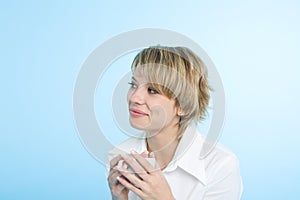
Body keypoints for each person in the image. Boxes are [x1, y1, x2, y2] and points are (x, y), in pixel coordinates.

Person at [106, 46, 243, 200]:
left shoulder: (220, 165)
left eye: (152, 90)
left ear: (183, 106)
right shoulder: (119, 155)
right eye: (133, 85)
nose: (134, 98)